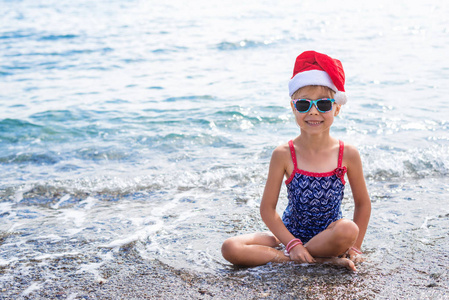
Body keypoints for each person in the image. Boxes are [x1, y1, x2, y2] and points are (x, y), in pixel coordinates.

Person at [221, 51, 371, 271]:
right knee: (230, 247)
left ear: (337, 108)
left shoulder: (347, 153)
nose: (313, 112)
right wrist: (291, 243)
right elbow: (267, 209)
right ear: (293, 107)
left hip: (330, 237)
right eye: (303, 105)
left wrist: (356, 247)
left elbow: (363, 204)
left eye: (323, 105)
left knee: (348, 229)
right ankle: (313, 260)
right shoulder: (283, 153)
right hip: (289, 237)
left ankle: (311, 255)